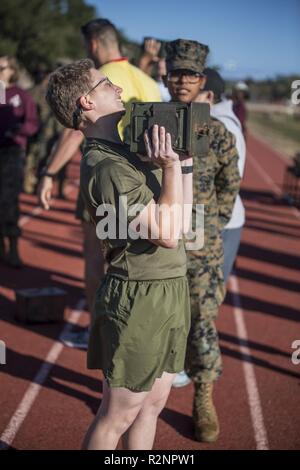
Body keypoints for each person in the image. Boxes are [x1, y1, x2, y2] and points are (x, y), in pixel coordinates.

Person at [45, 58, 193, 450]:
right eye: (106, 84)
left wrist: (185, 164)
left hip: (169, 287)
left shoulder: (127, 151)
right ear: (86, 102)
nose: (119, 88)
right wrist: (170, 170)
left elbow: (182, 223)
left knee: (151, 408)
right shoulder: (106, 166)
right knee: (118, 416)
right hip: (139, 294)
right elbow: (165, 234)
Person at [38, 19, 161, 349]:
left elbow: (71, 132)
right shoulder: (145, 78)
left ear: (93, 44)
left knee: (96, 256)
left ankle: (98, 331)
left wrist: (49, 173)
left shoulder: (104, 76)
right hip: (144, 177)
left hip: (111, 172)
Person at [164, 40, 240, 442]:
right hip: (157, 239)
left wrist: (213, 222)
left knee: (202, 322)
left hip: (201, 244)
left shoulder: (217, 131)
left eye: (191, 73)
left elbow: (231, 182)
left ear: (202, 79)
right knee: (156, 321)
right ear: (165, 76)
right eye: (176, 72)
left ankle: (203, 397)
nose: (183, 80)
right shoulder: (148, 122)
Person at [202, 68, 246, 281]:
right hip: (216, 220)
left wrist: (213, 224)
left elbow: (230, 182)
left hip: (221, 223)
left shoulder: (223, 126)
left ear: (208, 95)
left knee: (209, 290)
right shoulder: (220, 120)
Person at [0, 55, 39, 267]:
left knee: (9, 199)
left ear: (12, 69)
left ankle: (13, 244)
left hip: (12, 153)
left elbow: (32, 123)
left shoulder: (21, 95)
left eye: (2, 67)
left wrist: (18, 132)